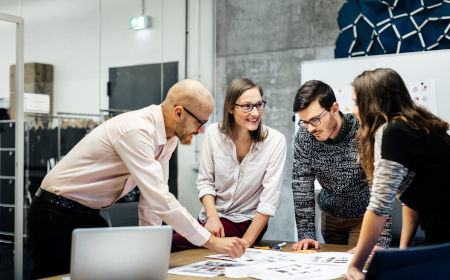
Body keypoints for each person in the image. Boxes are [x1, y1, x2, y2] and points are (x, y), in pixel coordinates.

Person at [27, 79, 248, 279]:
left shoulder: (167, 139)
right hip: (55, 211)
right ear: (178, 113)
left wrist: (149, 253)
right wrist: (211, 241)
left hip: (88, 215)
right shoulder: (138, 130)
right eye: (200, 122)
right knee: (52, 276)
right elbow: (160, 198)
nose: (201, 131)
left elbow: (151, 201)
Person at [346, 68, 450, 280]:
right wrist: (404, 252)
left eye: (357, 103)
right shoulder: (415, 125)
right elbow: (414, 198)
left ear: (372, 103)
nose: (354, 110)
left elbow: (378, 209)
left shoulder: (395, 130)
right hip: (440, 238)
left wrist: (355, 266)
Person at [172, 78, 287, 252]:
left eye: (259, 104)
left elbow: (269, 201)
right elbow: (205, 181)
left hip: (246, 222)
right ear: (231, 107)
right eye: (247, 106)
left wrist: (246, 243)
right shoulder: (213, 133)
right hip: (210, 218)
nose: (255, 113)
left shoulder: (275, 141)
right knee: (172, 238)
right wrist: (212, 217)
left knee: (172, 243)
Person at [291, 80, 392, 253]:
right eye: (304, 122)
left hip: (364, 217)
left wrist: (381, 239)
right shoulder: (305, 136)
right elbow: (302, 183)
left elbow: (380, 185)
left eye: (315, 120)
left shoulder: (363, 131)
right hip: (330, 217)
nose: (310, 128)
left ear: (334, 109)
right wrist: (306, 233)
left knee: (356, 267)